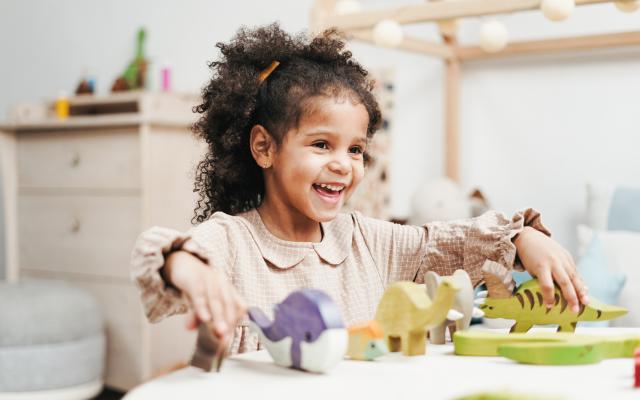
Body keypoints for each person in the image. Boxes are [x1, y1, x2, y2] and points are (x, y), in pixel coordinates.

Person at [130, 23, 588, 355]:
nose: (342, 165)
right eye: (321, 144)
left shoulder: (368, 240)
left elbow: (451, 243)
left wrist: (523, 237)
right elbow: (158, 253)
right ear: (265, 148)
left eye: (355, 150)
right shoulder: (232, 241)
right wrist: (189, 269)